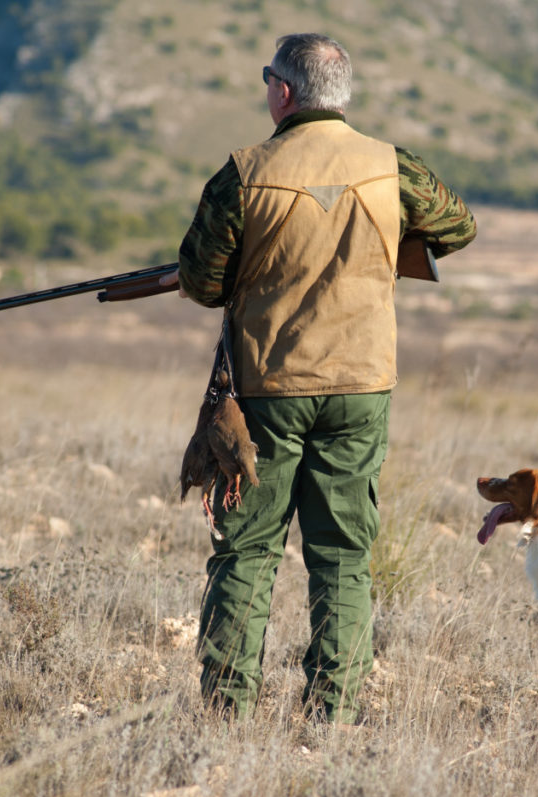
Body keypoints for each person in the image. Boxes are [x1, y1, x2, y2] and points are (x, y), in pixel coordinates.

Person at [161, 32, 476, 725]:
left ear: (283, 92)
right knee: (342, 553)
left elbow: (201, 281)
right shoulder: (394, 168)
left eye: (266, 78)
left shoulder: (244, 172)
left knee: (246, 548)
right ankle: (332, 712)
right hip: (363, 385)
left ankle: (226, 714)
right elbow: (458, 226)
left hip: (269, 387)